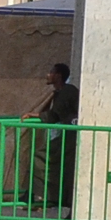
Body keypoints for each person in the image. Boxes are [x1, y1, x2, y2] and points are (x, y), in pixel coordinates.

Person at [32, 63, 79, 211]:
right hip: (67, 135)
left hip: (72, 136)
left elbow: (57, 115)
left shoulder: (67, 91)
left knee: (45, 157)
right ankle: (45, 196)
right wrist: (37, 115)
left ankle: (50, 198)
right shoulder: (60, 92)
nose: (48, 75)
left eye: (51, 72)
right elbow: (54, 115)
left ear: (58, 76)